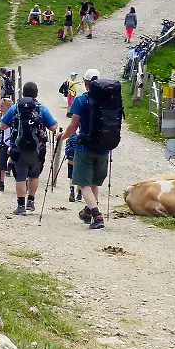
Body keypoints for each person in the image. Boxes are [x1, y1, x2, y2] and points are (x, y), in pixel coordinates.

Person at [60, 69, 109, 230]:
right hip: (104, 147)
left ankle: (97, 215)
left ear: (86, 82)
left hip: (85, 147)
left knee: (83, 184)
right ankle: (88, 212)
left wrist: (63, 137)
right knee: (95, 182)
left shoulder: (81, 100)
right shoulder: (109, 99)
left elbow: (73, 126)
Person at [0, 82, 59, 215]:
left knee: (20, 177)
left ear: (23, 93)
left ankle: (20, 206)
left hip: (18, 148)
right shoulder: (41, 109)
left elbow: (3, 126)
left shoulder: (15, 107)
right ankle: (30, 201)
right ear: (36, 94)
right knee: (34, 175)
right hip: (37, 150)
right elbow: (53, 127)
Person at [0, 98, 15, 192]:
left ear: (8, 107)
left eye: (2, 106)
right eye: (0, 106)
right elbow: (1, 131)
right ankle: (1, 183)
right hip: (3, 142)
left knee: (17, 164)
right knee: (1, 164)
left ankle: (22, 182)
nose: (0, 108)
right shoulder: (2, 117)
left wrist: (11, 145)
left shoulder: (13, 118)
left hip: (12, 143)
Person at [65, 133, 82, 202]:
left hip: (71, 158)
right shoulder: (84, 134)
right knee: (81, 175)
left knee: (71, 176)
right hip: (81, 159)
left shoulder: (72, 135)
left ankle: (72, 193)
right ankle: (79, 193)